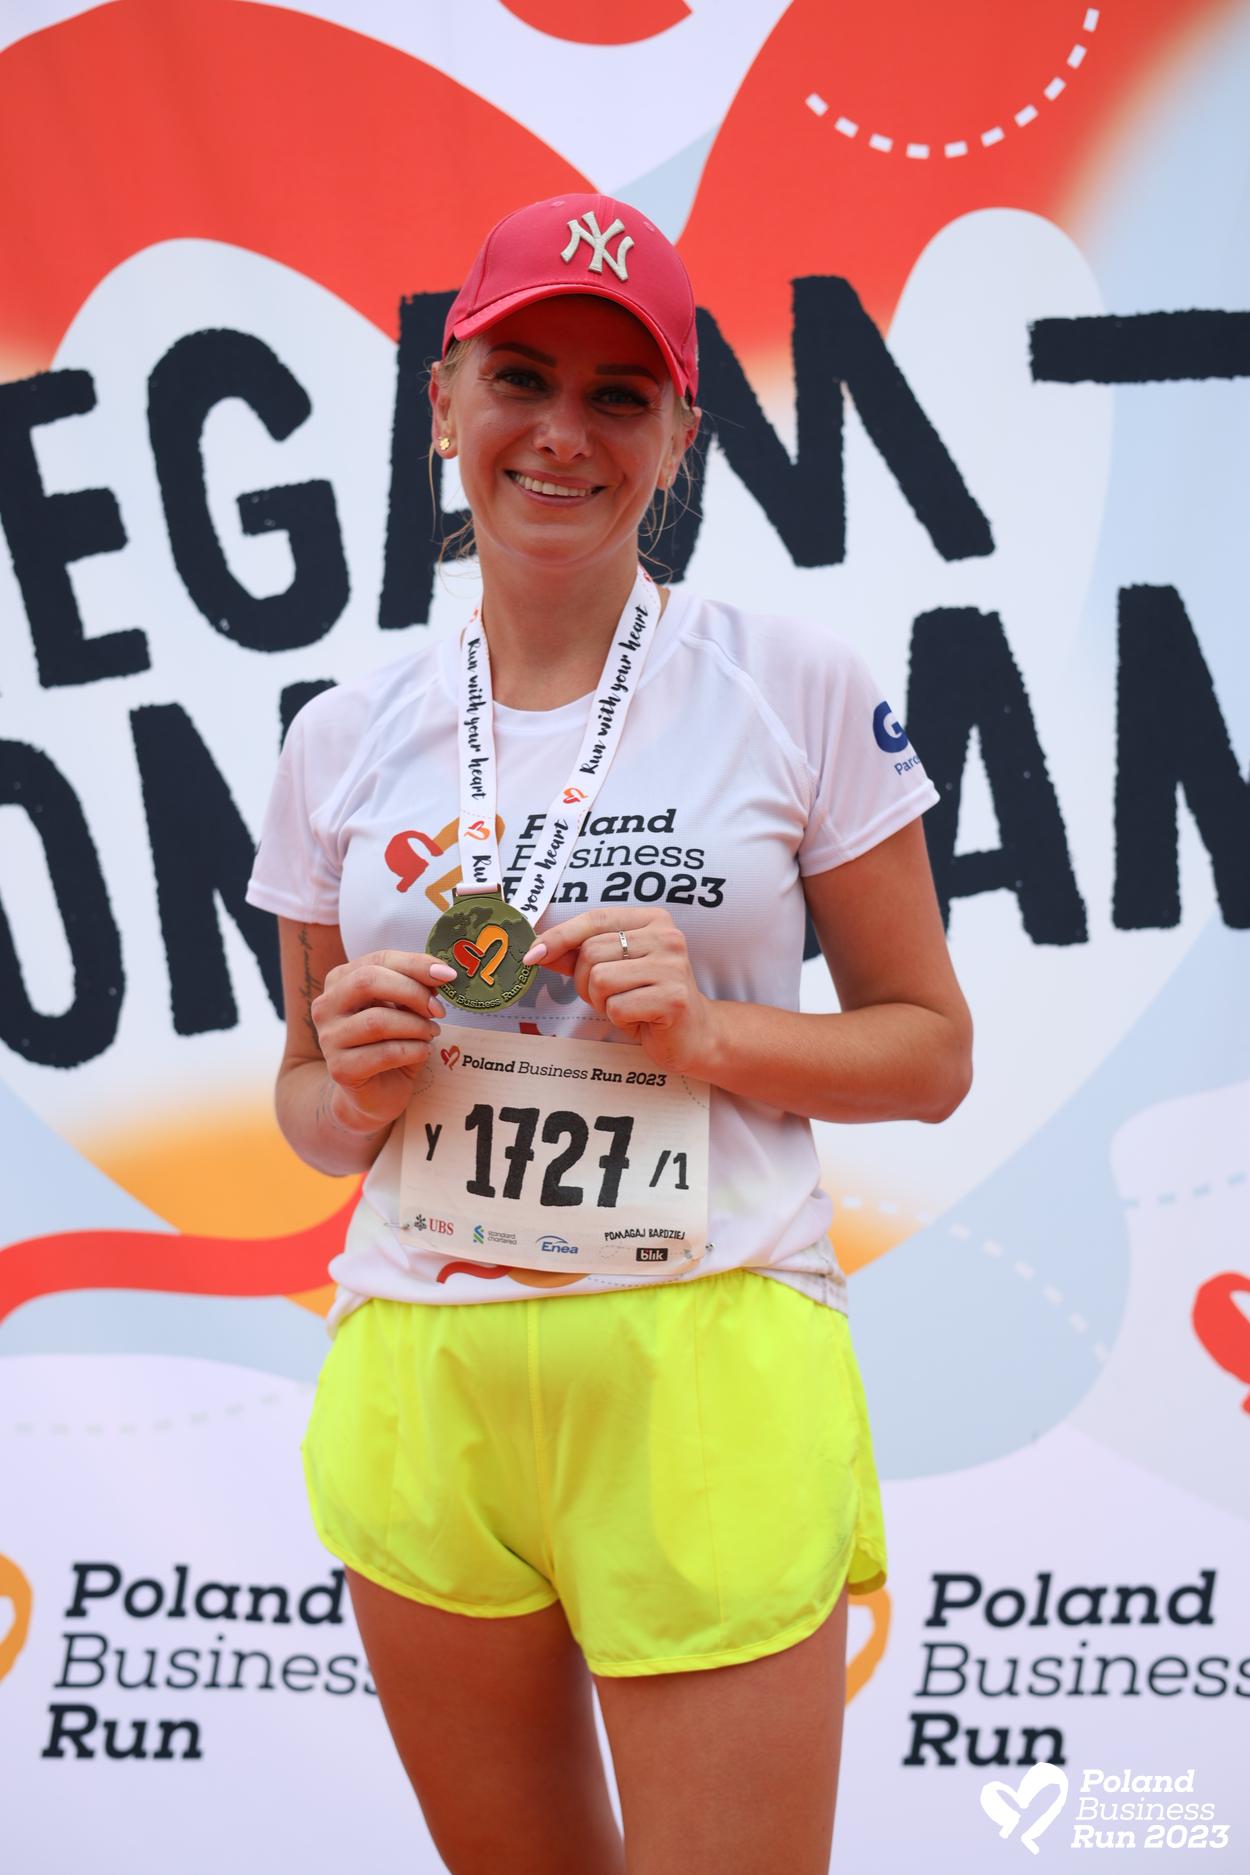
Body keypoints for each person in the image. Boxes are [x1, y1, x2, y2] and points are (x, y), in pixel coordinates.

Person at [246, 193, 972, 1875]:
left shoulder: (790, 683)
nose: (562, 433)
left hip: (700, 1358)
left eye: (618, 394)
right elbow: (304, 1103)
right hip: (425, 1367)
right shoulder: (339, 736)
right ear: (444, 403)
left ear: (678, 436)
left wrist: (708, 1035)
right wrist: (351, 1082)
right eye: (521, 378)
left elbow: (929, 1052)